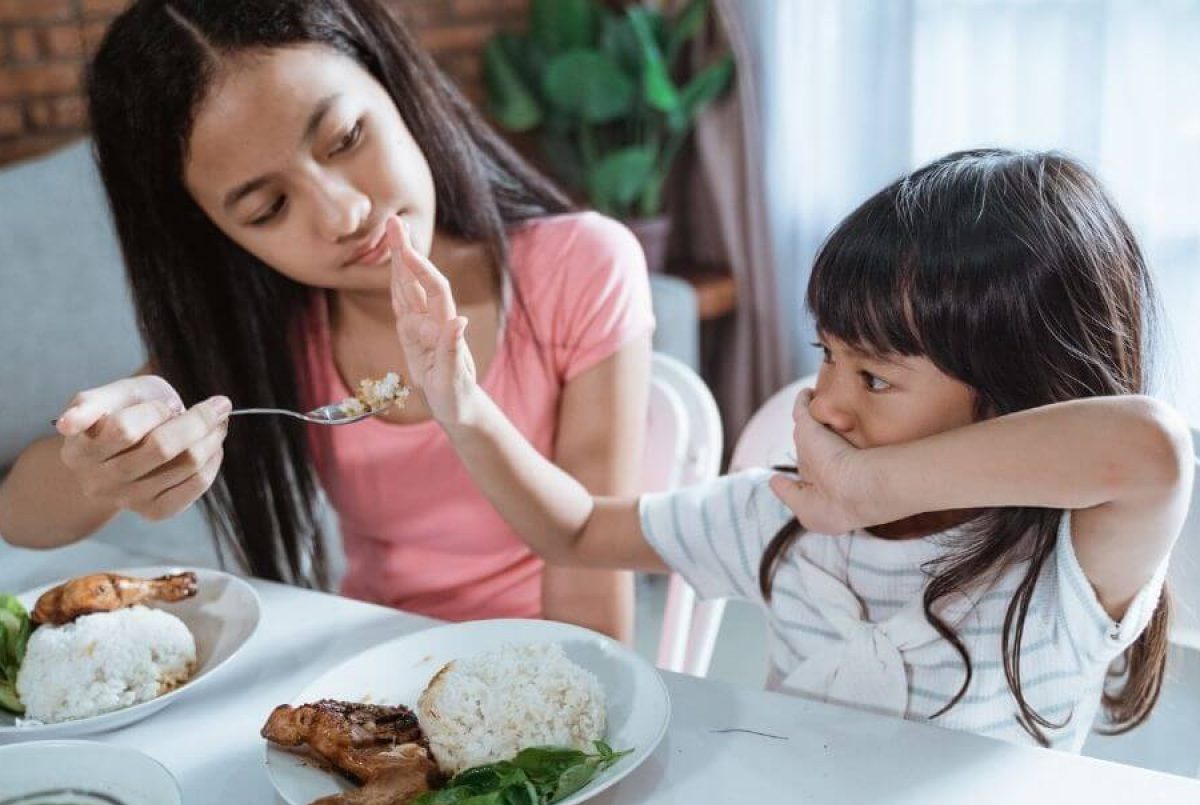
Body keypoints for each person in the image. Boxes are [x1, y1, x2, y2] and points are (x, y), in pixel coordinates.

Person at [388, 148, 1194, 749]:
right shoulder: (782, 516)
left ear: (1021, 394)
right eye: (828, 354)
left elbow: (1150, 449)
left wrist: (873, 487)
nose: (826, 401)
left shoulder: (1065, 569)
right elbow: (572, 531)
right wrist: (461, 404)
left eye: (876, 379)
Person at [0, 0, 654, 640]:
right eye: (268, 209)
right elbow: (20, 519)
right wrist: (100, 460)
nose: (345, 215)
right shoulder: (274, 331)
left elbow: (591, 602)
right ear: (219, 236)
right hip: (373, 673)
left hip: (546, 674)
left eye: (344, 139)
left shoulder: (580, 267)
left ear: (392, 82)